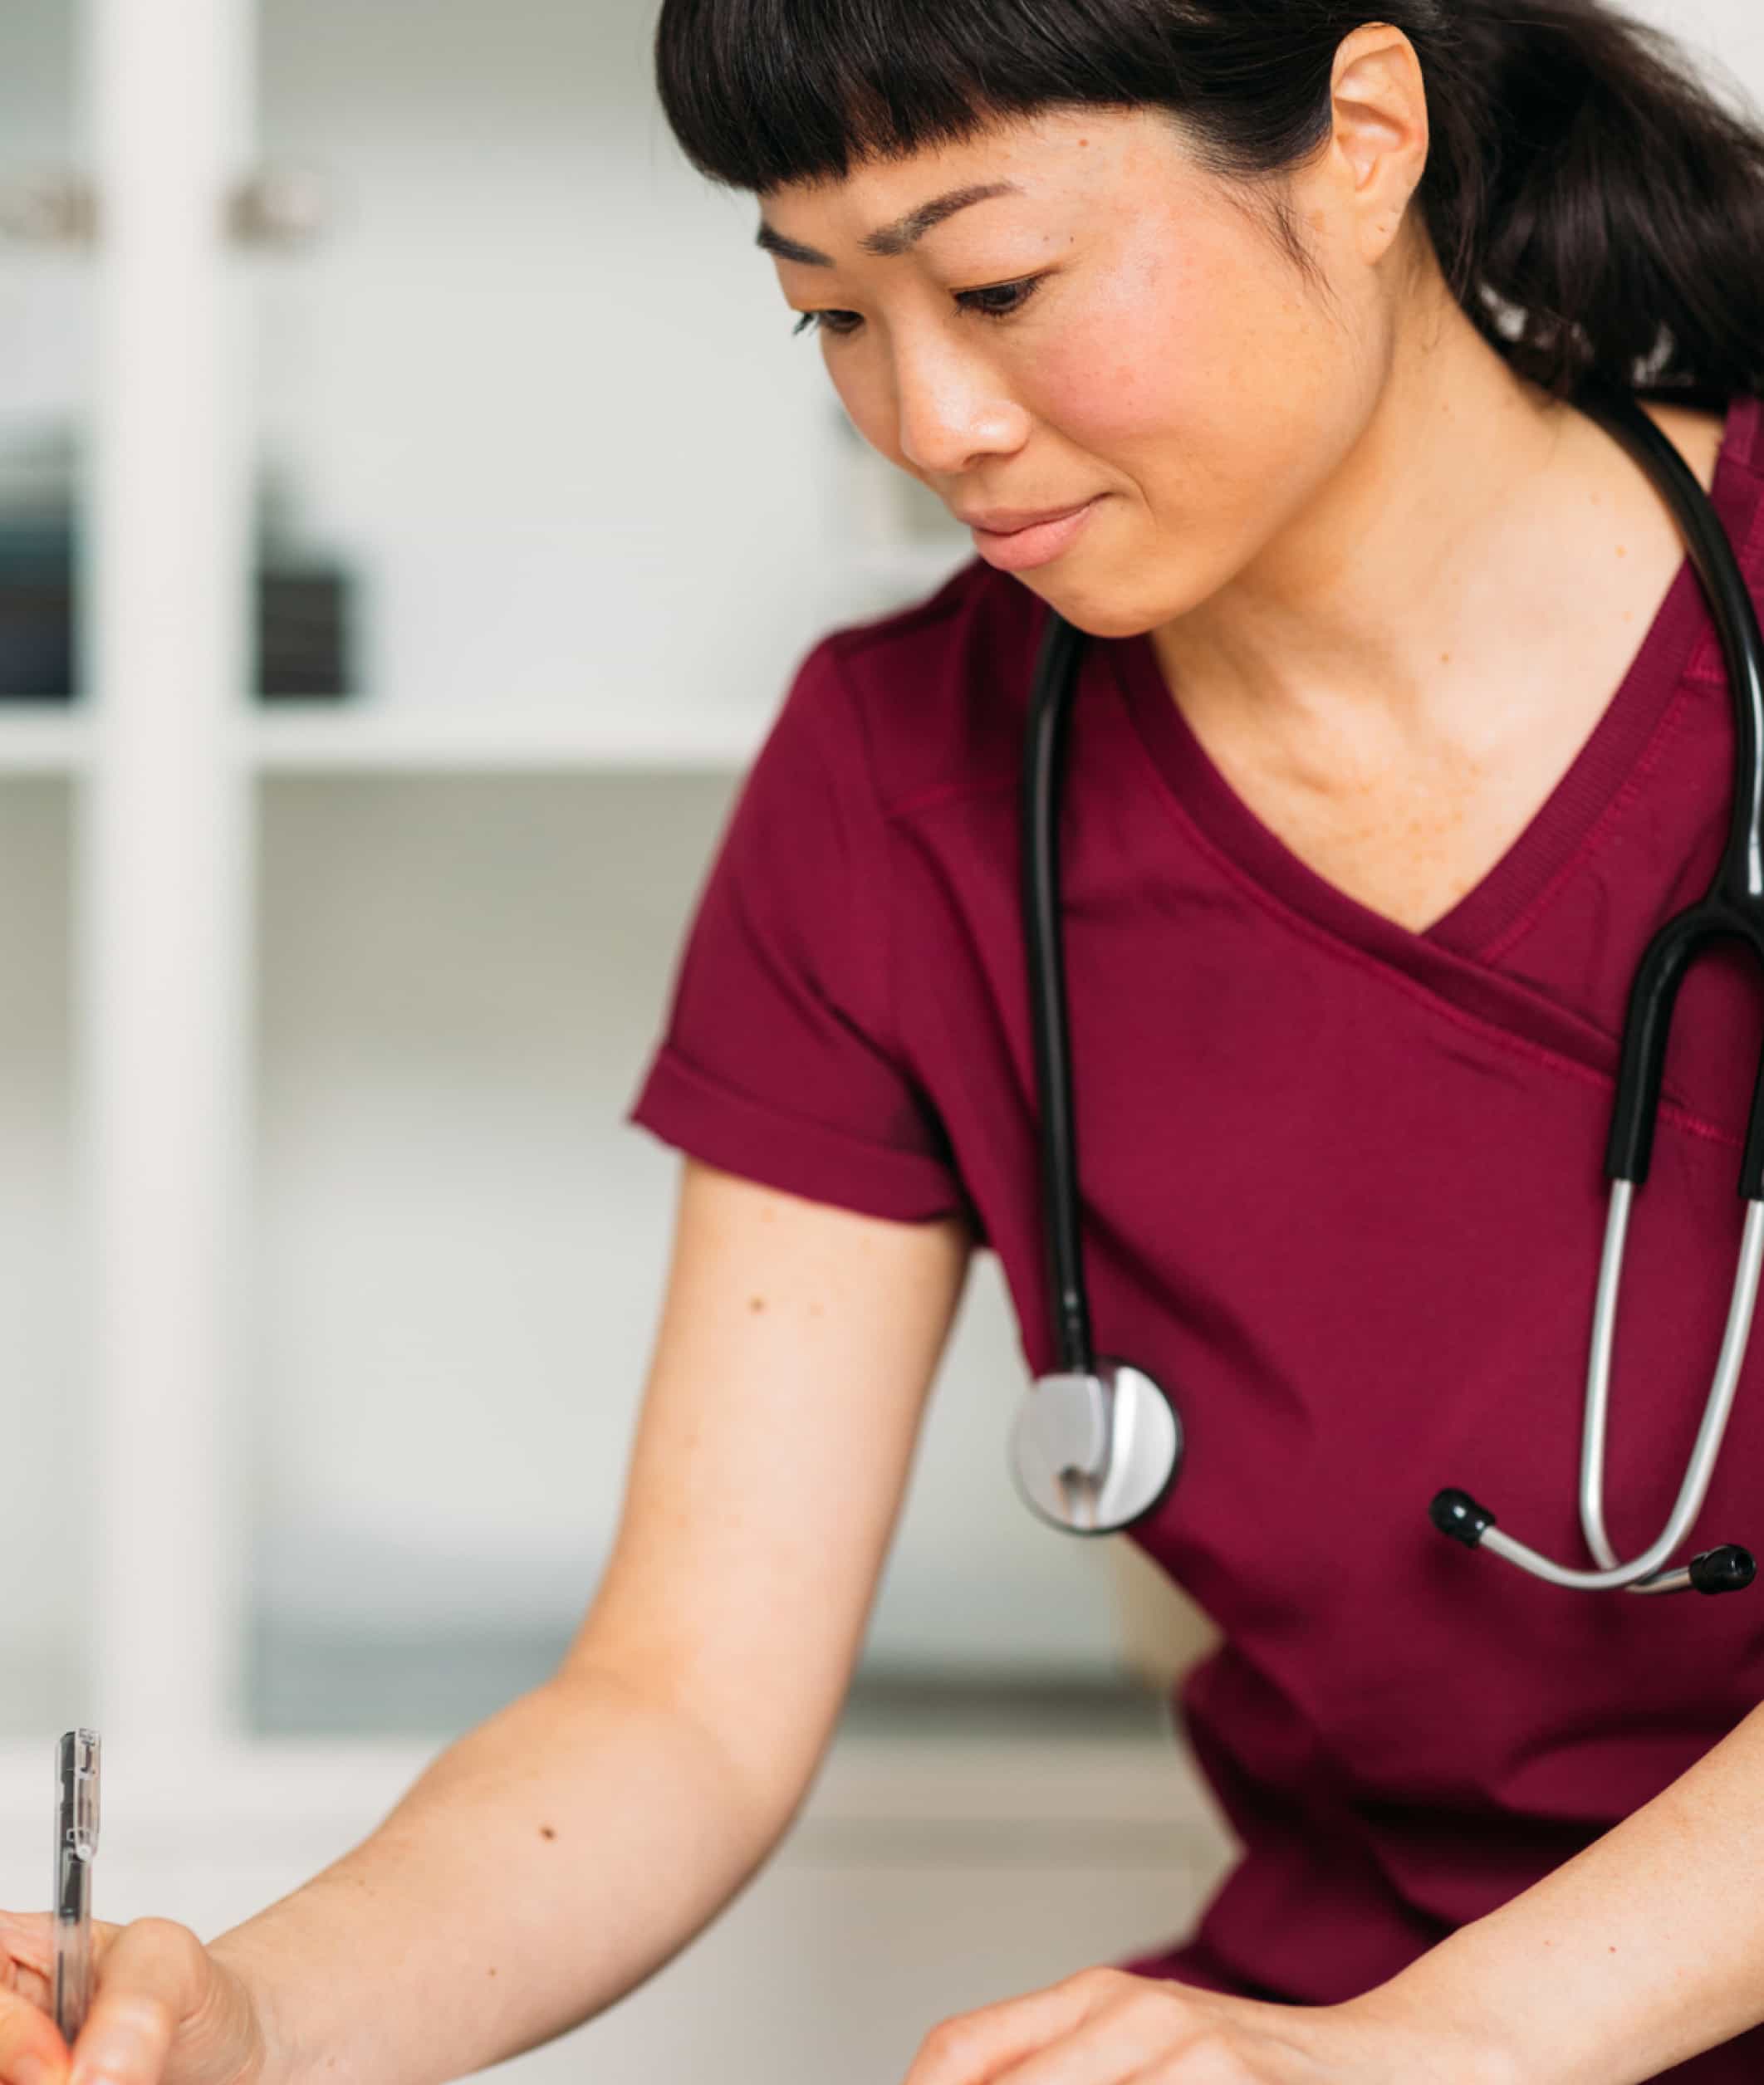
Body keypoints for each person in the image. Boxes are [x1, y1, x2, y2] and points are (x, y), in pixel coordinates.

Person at [9, 0, 1764, 2078]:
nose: (930, 418)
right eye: (828, 317)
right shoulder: (898, 784)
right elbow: (681, 1700)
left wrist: (1438, 2046)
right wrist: (251, 2019)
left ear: (1361, 140)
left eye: (1000, 284)